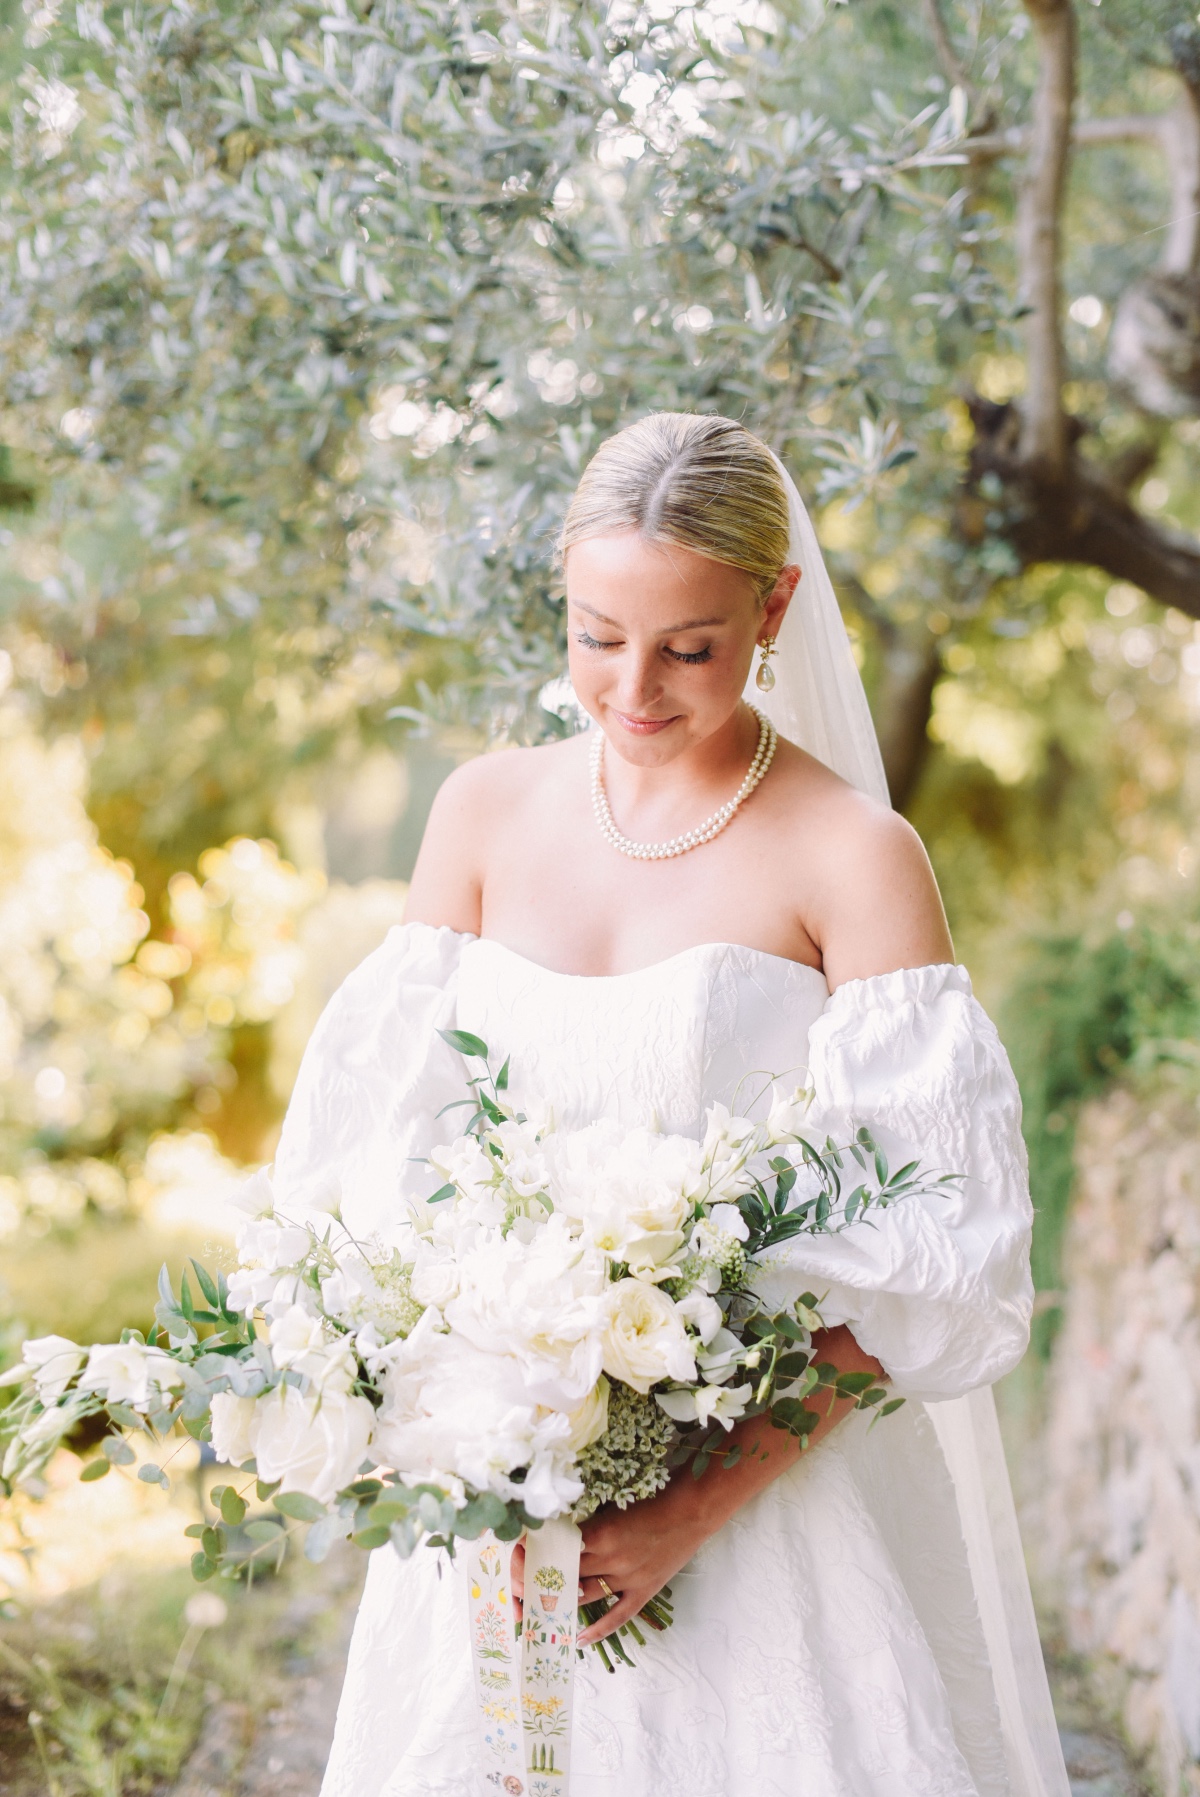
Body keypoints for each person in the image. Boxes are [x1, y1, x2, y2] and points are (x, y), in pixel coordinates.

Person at [275, 414, 1070, 1796]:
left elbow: (933, 1254)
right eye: (598, 635)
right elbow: (374, 1175)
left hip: (771, 1520)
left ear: (775, 607)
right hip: (504, 1510)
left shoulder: (855, 856)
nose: (633, 687)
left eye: (688, 647)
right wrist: (441, 1402)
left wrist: (690, 1506)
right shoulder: (480, 813)